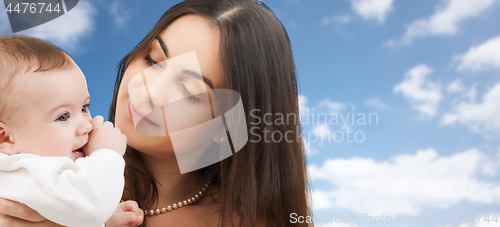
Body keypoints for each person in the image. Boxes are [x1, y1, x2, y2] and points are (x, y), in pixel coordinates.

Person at [0, 0, 312, 226]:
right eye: (153, 60)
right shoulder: (34, 163)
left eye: (189, 90)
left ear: (227, 126)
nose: (148, 89)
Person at [0, 35, 143, 227]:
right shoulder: (25, 170)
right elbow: (91, 207)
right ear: (6, 138)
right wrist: (107, 153)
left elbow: (79, 211)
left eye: (84, 107)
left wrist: (104, 219)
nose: (87, 125)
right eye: (63, 116)